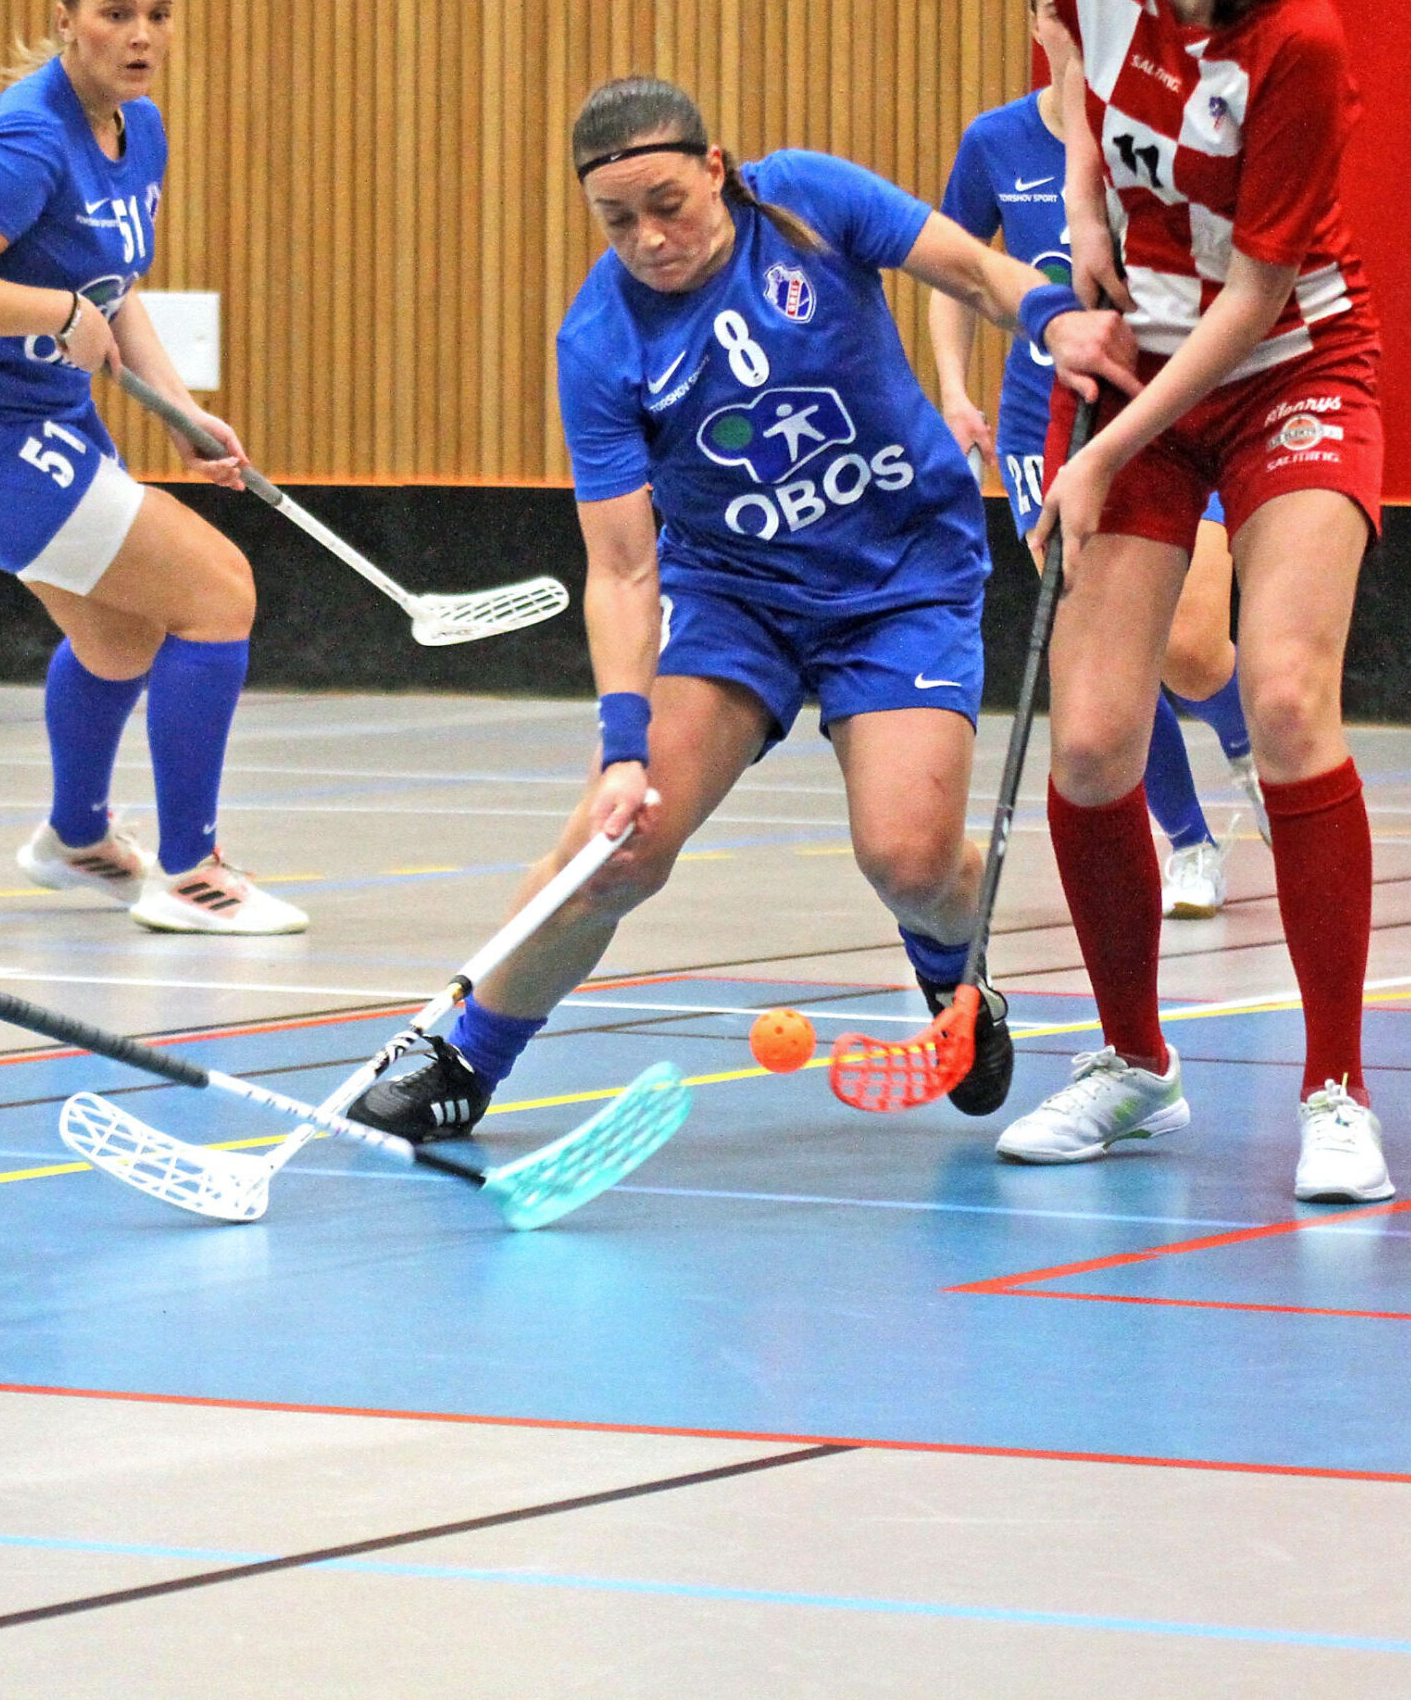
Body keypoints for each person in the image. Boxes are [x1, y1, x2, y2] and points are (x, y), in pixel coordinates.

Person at [349, 76, 1137, 1142]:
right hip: (732, 598)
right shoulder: (600, 342)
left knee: (911, 863)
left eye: (668, 204)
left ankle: (955, 974)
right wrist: (621, 747)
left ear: (715, 168)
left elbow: (971, 268)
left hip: (900, 577)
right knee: (611, 852)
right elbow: (622, 571)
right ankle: (464, 1056)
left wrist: (1052, 320)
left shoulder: (804, 200)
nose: (649, 239)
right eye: (617, 220)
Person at [1001, 0, 1393, 1203]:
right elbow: (1075, 94)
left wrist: (1099, 448)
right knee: (1094, 742)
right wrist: (1086, 223)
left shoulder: (1300, 40)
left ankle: (1337, 1089)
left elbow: (1252, 300)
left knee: (1282, 697)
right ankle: (1131, 1065)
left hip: (1285, 367)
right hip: (1136, 365)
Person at [0, 0, 302, 937]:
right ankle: (189, 871)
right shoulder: (27, 143)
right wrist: (53, 312)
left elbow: (113, 289)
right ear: (66, 21)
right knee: (217, 589)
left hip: (40, 414)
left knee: (120, 630)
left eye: (158, 14)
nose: (140, 34)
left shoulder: (137, 128)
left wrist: (181, 410)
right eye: (116, 13)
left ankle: (74, 839)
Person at [929, 0, 1258, 924]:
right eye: (1053, 12)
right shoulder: (994, 141)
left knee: (1189, 647)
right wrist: (953, 392)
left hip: (1168, 414)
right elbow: (955, 269)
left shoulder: (1160, 130)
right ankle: (1188, 842)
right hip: (1048, 431)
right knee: (1104, 656)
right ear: (1037, 25)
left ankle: (1253, 756)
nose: (1070, 27)